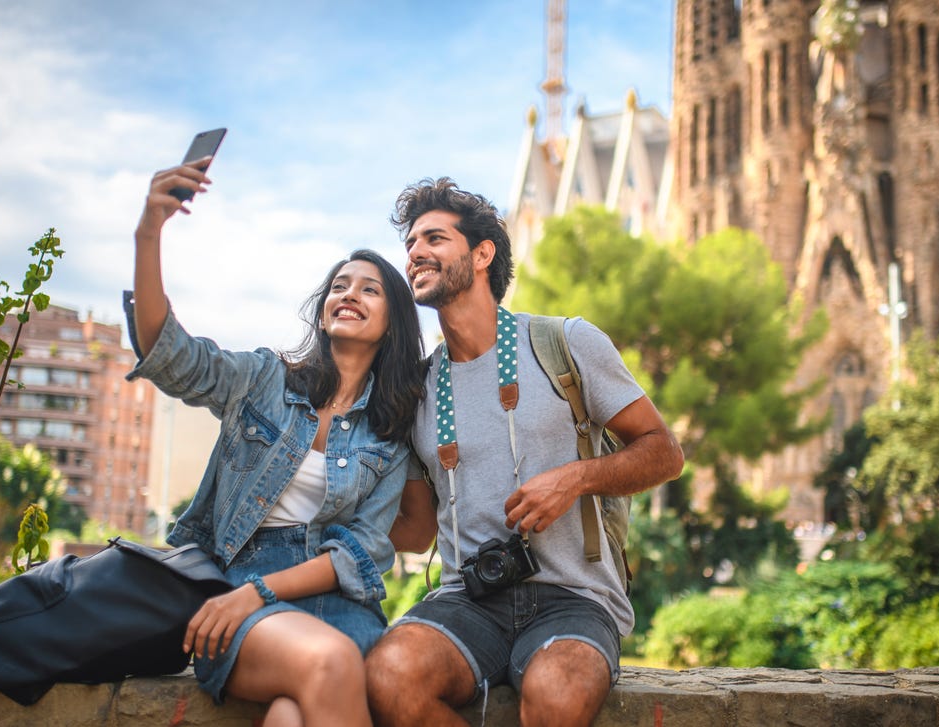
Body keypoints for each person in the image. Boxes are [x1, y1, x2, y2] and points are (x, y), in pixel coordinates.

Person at [370, 178, 684, 726]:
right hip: (467, 600)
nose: (415, 252)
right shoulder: (418, 389)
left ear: (482, 253)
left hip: (576, 598)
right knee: (390, 672)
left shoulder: (565, 343)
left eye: (435, 238)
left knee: (557, 693)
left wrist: (576, 479)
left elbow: (664, 453)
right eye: (411, 243)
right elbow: (416, 532)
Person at [127, 157, 424, 727]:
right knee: (331, 664)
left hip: (334, 601)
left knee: (290, 717)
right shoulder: (265, 380)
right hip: (233, 591)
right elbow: (172, 356)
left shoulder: (390, 432)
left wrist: (263, 591)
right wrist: (149, 231)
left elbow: (359, 554)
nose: (349, 293)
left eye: (369, 289)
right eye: (339, 285)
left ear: (394, 322)